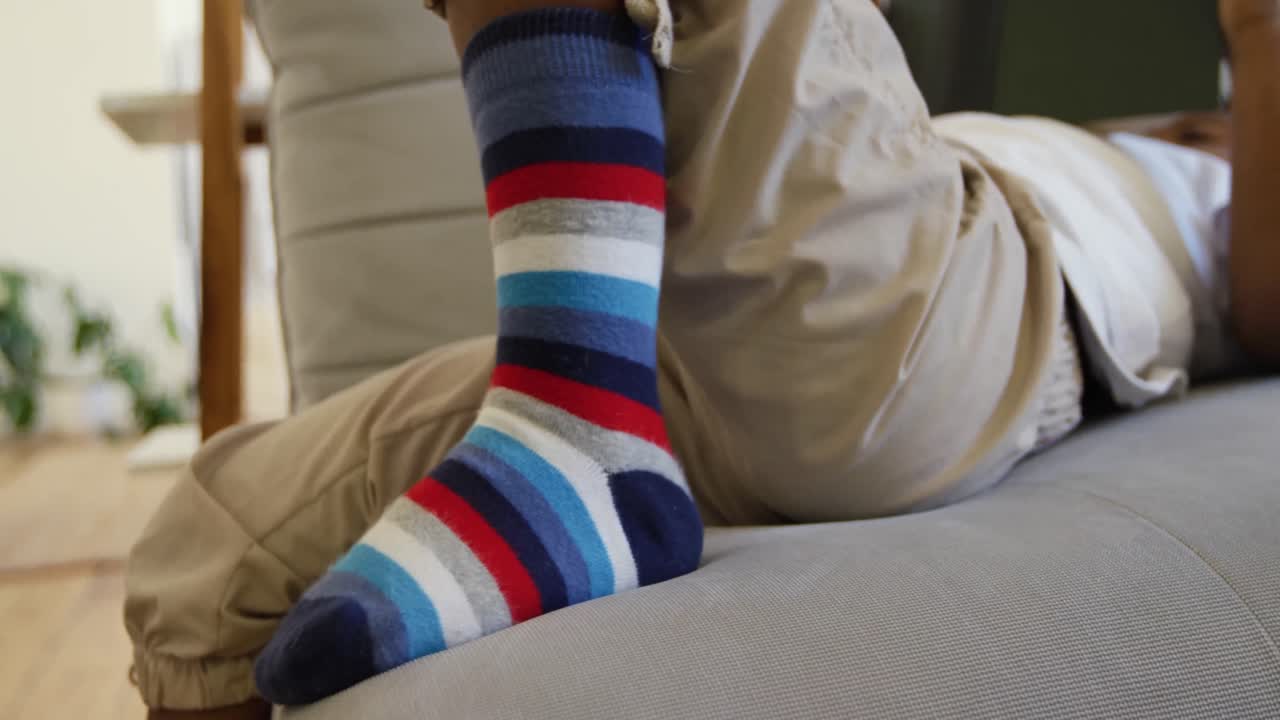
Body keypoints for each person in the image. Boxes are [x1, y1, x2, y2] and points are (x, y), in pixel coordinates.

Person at [128, 0, 1280, 716]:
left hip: (946, 312)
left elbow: (1265, 304)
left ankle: (568, 431)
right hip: (640, 338)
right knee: (212, 536)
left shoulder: (1210, 173)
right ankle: (571, 425)